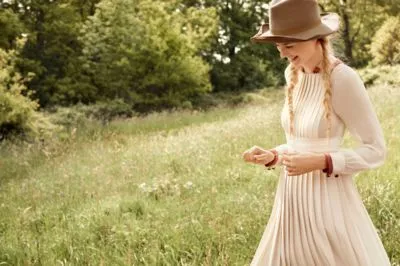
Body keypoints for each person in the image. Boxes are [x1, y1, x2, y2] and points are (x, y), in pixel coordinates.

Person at [241, 0, 392, 265]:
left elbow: (376, 150)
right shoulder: (293, 74)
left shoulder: (343, 79)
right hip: (290, 202)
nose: (282, 54)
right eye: (278, 46)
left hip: (329, 202)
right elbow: (302, 142)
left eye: (289, 45)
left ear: (314, 38)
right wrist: (273, 155)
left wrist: (323, 161)